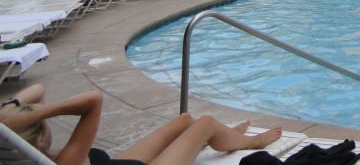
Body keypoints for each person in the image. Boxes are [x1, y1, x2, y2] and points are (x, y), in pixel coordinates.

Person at [0, 85, 281, 165]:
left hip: (119, 164)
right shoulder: (67, 161)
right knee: (205, 123)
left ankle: (223, 136)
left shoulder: (20, 154)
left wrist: (12, 111)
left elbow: (36, 89)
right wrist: (28, 115)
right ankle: (251, 142)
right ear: (39, 140)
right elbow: (93, 100)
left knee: (185, 121)